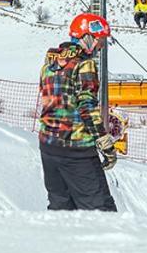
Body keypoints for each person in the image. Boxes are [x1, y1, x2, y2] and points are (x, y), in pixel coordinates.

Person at [37, 13, 117, 211]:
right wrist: (105, 143)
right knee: (100, 210)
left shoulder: (48, 66)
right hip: (77, 149)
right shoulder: (84, 64)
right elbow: (87, 108)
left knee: (61, 208)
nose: (100, 47)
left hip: (48, 146)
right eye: (99, 41)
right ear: (87, 37)